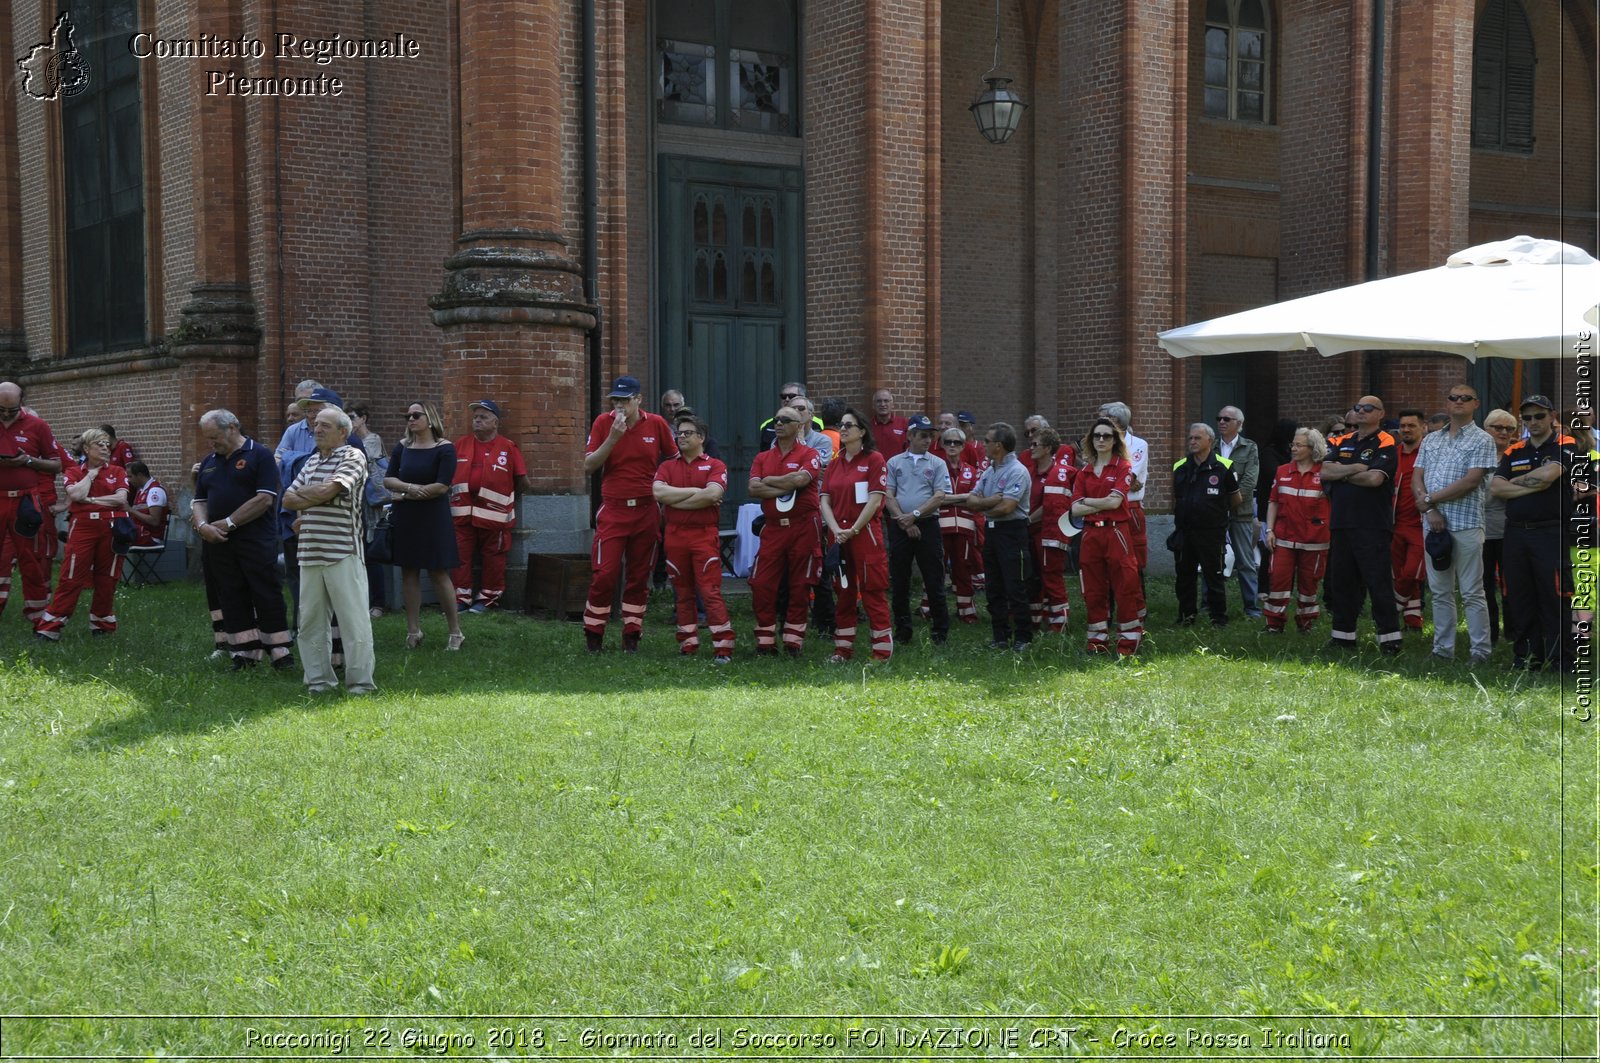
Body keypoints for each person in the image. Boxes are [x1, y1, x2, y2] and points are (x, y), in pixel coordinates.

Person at [283, 407, 377, 692]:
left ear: (343, 432)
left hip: (342, 551)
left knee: (353, 621)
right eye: (315, 425)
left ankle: (360, 683)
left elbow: (328, 491)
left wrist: (309, 496)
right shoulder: (311, 462)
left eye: (325, 425)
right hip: (309, 552)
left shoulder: (352, 456)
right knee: (310, 622)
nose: (317, 429)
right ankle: (318, 681)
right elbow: (287, 500)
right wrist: (316, 495)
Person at [192, 409, 294, 670]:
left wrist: (228, 523)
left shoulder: (259, 455)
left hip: (255, 539)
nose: (211, 443)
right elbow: (199, 500)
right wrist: (203, 526)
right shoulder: (209, 462)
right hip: (219, 542)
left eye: (215, 437)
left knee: (265, 590)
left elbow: (264, 499)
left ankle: (280, 651)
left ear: (233, 427)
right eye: (208, 438)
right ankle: (244, 652)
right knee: (230, 594)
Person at [583, 375, 678, 652]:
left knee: (639, 576)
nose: (620, 406)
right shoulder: (604, 422)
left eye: (625, 400)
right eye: (616, 400)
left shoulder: (657, 424)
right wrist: (613, 437)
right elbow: (588, 466)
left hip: (646, 509)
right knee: (605, 574)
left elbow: (673, 461)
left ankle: (632, 634)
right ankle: (594, 633)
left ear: (638, 400)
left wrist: (669, 494)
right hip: (614, 508)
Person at [1413, 385, 1498, 663]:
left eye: (1465, 398)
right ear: (1446, 404)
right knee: (1439, 591)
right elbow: (1417, 476)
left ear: (1476, 404)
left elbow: (1471, 481)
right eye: (1453, 398)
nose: (1459, 401)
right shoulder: (1431, 439)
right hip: (1432, 524)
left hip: (1466, 524)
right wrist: (1429, 509)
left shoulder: (1482, 439)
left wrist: (1429, 500)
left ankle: (1480, 652)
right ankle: (1442, 650)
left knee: (1473, 591)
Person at [1491, 394, 1576, 672]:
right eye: (1527, 417)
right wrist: (1532, 484)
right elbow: (1496, 488)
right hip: (1516, 534)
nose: (1533, 421)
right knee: (1520, 596)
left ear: (1552, 416)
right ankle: (1527, 657)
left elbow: (1549, 475)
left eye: (1539, 415)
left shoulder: (1565, 443)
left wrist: (1520, 484)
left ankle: (1560, 658)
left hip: (1550, 533)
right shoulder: (1515, 450)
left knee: (1554, 596)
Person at [1322, 395, 1402, 654]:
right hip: (1342, 523)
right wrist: (1357, 467)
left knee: (1378, 583)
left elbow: (1374, 480)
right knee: (1342, 583)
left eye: (1369, 408)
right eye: (1358, 407)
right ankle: (1343, 638)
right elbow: (1324, 471)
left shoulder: (1386, 441)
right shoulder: (1341, 440)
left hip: (1372, 524)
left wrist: (1343, 472)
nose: (1362, 411)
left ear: (1381, 413)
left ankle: (1389, 640)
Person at [33, 429, 129, 640]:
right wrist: (92, 475)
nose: (105, 448)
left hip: (112, 527)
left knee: (108, 578)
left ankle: (102, 624)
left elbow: (121, 499)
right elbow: (76, 494)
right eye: (99, 445)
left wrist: (92, 501)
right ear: (86, 448)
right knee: (72, 575)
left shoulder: (118, 471)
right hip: (83, 527)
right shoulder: (75, 472)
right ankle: (50, 627)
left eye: (107, 445)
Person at [385, 401, 465, 651]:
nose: (410, 419)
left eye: (415, 415)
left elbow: (442, 486)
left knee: (438, 571)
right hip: (407, 516)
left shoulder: (445, 449)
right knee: (408, 571)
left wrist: (406, 493)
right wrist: (411, 489)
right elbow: (389, 478)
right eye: (407, 415)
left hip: (433, 517)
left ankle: (455, 632)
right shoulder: (403, 446)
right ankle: (413, 630)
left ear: (429, 419)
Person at [653, 415, 733, 662]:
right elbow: (658, 492)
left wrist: (676, 500)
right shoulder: (667, 466)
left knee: (709, 591)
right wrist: (695, 492)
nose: (682, 436)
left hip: (703, 535)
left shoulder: (715, 465)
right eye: (680, 433)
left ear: (702, 438)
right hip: (674, 536)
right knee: (682, 591)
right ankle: (688, 644)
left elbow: (713, 495)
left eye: (688, 433)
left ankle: (723, 647)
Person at [748, 404, 824, 656]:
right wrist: (786, 484)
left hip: (803, 526)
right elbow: (753, 489)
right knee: (761, 583)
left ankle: (793, 642)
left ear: (799, 426)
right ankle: (765, 641)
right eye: (776, 419)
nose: (778, 424)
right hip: (773, 529)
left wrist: (768, 481)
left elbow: (802, 480)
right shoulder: (763, 457)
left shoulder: (809, 453)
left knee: (800, 584)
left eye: (785, 420)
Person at [820, 408, 893, 661]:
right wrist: (836, 530)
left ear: (861, 432)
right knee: (844, 592)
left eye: (849, 425)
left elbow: (874, 501)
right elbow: (824, 500)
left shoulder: (874, 460)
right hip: (838, 536)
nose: (843, 428)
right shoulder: (835, 463)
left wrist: (853, 529)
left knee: (872, 589)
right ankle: (842, 649)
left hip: (864, 535)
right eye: (841, 424)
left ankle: (882, 650)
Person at [955, 422, 1033, 651]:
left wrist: (981, 507)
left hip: (1013, 533)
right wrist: (988, 502)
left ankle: (1023, 638)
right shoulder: (990, 471)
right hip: (992, 532)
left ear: (998, 445)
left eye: (987, 441)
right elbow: (972, 498)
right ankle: (1000, 637)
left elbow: (1007, 507)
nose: (984, 444)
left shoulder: (1017, 471)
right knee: (994, 587)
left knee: (1015, 587)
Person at [450, 398, 530, 614]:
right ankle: (461, 597)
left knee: (494, 559)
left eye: (483, 417)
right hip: (462, 515)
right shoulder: (460, 445)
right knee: (459, 556)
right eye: (475, 417)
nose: (477, 420)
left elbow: (522, 481)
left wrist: (504, 498)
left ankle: (488, 598)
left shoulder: (508, 448)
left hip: (495, 518)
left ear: (496, 422)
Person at [1071, 417, 1143, 656]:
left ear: (1115, 441)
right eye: (1097, 436)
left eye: (1107, 436)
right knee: (1092, 588)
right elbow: (1074, 509)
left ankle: (1128, 642)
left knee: (1125, 585)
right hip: (1091, 534)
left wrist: (1088, 502)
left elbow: (1115, 502)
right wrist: (1099, 504)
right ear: (1091, 440)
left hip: (1116, 532)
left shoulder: (1123, 467)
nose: (1101, 440)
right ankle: (1097, 642)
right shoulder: (1084, 472)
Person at [884, 414, 952, 646]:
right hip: (899, 526)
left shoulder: (937, 463)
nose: (928, 440)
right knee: (900, 580)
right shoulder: (894, 462)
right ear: (910, 435)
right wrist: (903, 521)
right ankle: (903, 631)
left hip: (927, 525)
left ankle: (940, 632)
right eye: (923, 436)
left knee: (934, 579)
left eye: (930, 436)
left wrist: (913, 516)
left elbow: (940, 495)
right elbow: (888, 494)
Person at [0, 382, 62, 628]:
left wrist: (27, 461)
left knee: (32, 556)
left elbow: (56, 464)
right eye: (0, 410)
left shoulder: (38, 426)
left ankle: (37, 614)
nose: (5, 415)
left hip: (25, 501)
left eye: (11, 410)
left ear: (21, 403)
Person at [1171, 422, 1241, 626]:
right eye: (1190, 438)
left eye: (1197, 438)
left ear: (1210, 441)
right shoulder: (1180, 466)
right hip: (1185, 532)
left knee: (1214, 575)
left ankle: (1218, 618)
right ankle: (1186, 615)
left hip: (1211, 533)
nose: (1192, 441)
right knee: (1184, 576)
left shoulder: (1224, 466)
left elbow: (1235, 499)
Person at [1263, 428, 1330, 632]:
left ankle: (1305, 623)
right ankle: (1274, 624)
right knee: (1277, 580)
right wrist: (1270, 530)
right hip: (1284, 538)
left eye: (1299, 445)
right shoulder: (1282, 470)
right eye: (1293, 444)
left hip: (1314, 540)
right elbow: (1273, 501)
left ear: (1312, 449)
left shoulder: (1326, 473)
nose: (1293, 448)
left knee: (1309, 584)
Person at [1216, 405, 1261, 619]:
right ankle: (1210, 605)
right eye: (1220, 418)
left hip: (1240, 511)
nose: (1222, 422)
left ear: (1239, 424)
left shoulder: (1249, 447)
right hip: (1214, 513)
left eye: (1227, 419)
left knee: (1245, 561)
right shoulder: (1211, 446)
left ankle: (1251, 607)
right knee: (1213, 559)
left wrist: (1230, 502)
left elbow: (1250, 480)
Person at [1025, 427, 1071, 633]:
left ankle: (1059, 622)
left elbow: (1050, 506)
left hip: (1049, 533)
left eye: (1035, 445)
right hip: (1031, 533)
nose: (1031, 448)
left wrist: (1026, 519)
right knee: (1034, 577)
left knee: (1051, 575)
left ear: (1048, 448)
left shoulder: (1057, 473)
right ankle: (1036, 618)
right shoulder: (1031, 472)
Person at [347, 400, 390, 618]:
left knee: (371, 553)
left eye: (352, 417)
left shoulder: (371, 440)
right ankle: (363, 601)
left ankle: (378, 604)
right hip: (357, 501)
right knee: (358, 552)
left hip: (372, 503)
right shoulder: (350, 441)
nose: (350, 422)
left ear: (364, 418)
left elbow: (363, 462)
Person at [938, 426, 983, 624]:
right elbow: (935, 498)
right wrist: (961, 498)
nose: (952, 446)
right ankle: (929, 609)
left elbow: (975, 499)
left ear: (963, 446)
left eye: (957, 442)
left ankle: (967, 611)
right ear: (942, 445)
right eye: (948, 442)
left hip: (964, 529)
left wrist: (949, 498)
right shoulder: (936, 469)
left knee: (963, 569)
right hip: (940, 528)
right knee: (936, 568)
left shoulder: (971, 471)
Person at [1482, 409, 1518, 645]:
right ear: (1486, 429)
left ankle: (1513, 633)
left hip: (1509, 529)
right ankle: (1490, 633)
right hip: (1480, 529)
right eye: (1498, 427)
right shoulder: (1476, 455)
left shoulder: (1517, 456)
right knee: (1483, 586)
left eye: (1509, 429)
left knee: (1512, 584)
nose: (1503, 433)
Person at [1390, 409, 1428, 633]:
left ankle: (1390, 608)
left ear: (1422, 428)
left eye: (1411, 425)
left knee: (1412, 572)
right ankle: (1413, 620)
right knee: (1400, 572)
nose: (1406, 430)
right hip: (1396, 524)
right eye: (1403, 426)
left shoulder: (1429, 453)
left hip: (1422, 524)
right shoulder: (1393, 454)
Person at [1100, 402, 1148, 573]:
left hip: (1129, 508)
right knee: (1109, 559)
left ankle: (1137, 599)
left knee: (1134, 559)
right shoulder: (1101, 443)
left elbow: (1127, 478)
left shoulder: (1137, 444)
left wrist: (1115, 479)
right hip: (1105, 507)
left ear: (1118, 422)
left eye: (1106, 420)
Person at [125, 462, 169, 548]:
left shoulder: (154, 491)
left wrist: (131, 510)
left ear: (140, 475)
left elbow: (155, 521)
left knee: (112, 534)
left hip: (149, 536)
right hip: (138, 532)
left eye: (130, 476)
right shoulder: (141, 490)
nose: (128, 480)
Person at [870, 389, 910, 459]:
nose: (882, 404)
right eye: (879, 401)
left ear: (892, 405)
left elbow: (910, 450)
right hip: (875, 469)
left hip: (897, 468)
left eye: (886, 401)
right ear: (873, 405)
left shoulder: (904, 424)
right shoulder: (867, 426)